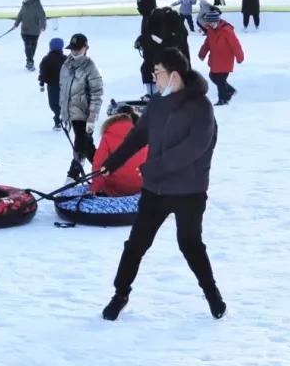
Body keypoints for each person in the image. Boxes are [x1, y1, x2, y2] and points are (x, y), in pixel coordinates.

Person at [98, 48, 223, 321]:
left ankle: (212, 293)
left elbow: (193, 149)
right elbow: (138, 136)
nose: (154, 78)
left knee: (190, 244)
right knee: (136, 244)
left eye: (157, 73)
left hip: (189, 191)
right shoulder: (157, 104)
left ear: (174, 75)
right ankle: (120, 294)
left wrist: (152, 167)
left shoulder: (201, 107)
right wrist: (113, 162)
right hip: (155, 190)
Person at [59, 33, 103, 180]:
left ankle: (73, 175)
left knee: (81, 144)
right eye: (73, 48)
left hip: (84, 114)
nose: (75, 51)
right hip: (71, 113)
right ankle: (104, 170)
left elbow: (97, 93)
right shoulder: (66, 65)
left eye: (78, 48)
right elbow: (63, 89)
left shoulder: (90, 66)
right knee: (86, 146)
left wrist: (92, 117)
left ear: (86, 48)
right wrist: (63, 112)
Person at [90, 105, 146, 197]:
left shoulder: (108, 134)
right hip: (141, 186)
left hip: (116, 188)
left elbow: (99, 164)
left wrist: (95, 187)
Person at [198, 10, 243, 106]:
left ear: (216, 21)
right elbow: (207, 43)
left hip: (225, 60)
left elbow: (235, 45)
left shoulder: (227, 30)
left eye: (211, 22)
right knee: (213, 76)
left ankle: (223, 99)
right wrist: (202, 53)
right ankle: (229, 91)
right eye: (208, 23)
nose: (209, 24)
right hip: (215, 60)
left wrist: (240, 57)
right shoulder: (211, 30)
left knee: (221, 80)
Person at [12, 0, 47, 71]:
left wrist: (43, 26)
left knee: (33, 48)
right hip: (25, 30)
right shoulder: (24, 5)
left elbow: (42, 16)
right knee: (28, 46)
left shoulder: (37, 5)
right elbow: (20, 15)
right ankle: (30, 62)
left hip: (35, 31)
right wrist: (16, 24)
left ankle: (29, 61)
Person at [134, 0, 159, 96]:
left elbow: (157, 38)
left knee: (152, 71)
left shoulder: (157, 16)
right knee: (145, 69)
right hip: (148, 55)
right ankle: (151, 94)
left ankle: (156, 95)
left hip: (157, 57)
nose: (138, 4)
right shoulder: (146, 16)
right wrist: (140, 40)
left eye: (140, 1)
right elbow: (146, 34)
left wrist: (145, 41)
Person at [39, 37, 66, 130]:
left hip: (52, 85)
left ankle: (58, 119)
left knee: (54, 103)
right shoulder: (66, 59)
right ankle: (62, 116)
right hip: (65, 85)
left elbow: (43, 72)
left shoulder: (46, 59)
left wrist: (42, 83)